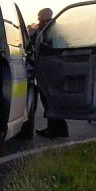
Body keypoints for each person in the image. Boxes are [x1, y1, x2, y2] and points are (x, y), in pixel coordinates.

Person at [32, 8, 69, 138]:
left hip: (51, 70)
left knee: (50, 100)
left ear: (45, 18)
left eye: (39, 18)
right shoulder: (51, 29)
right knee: (50, 100)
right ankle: (55, 129)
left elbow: (49, 49)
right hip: (53, 69)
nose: (38, 20)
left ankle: (56, 130)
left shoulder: (50, 31)